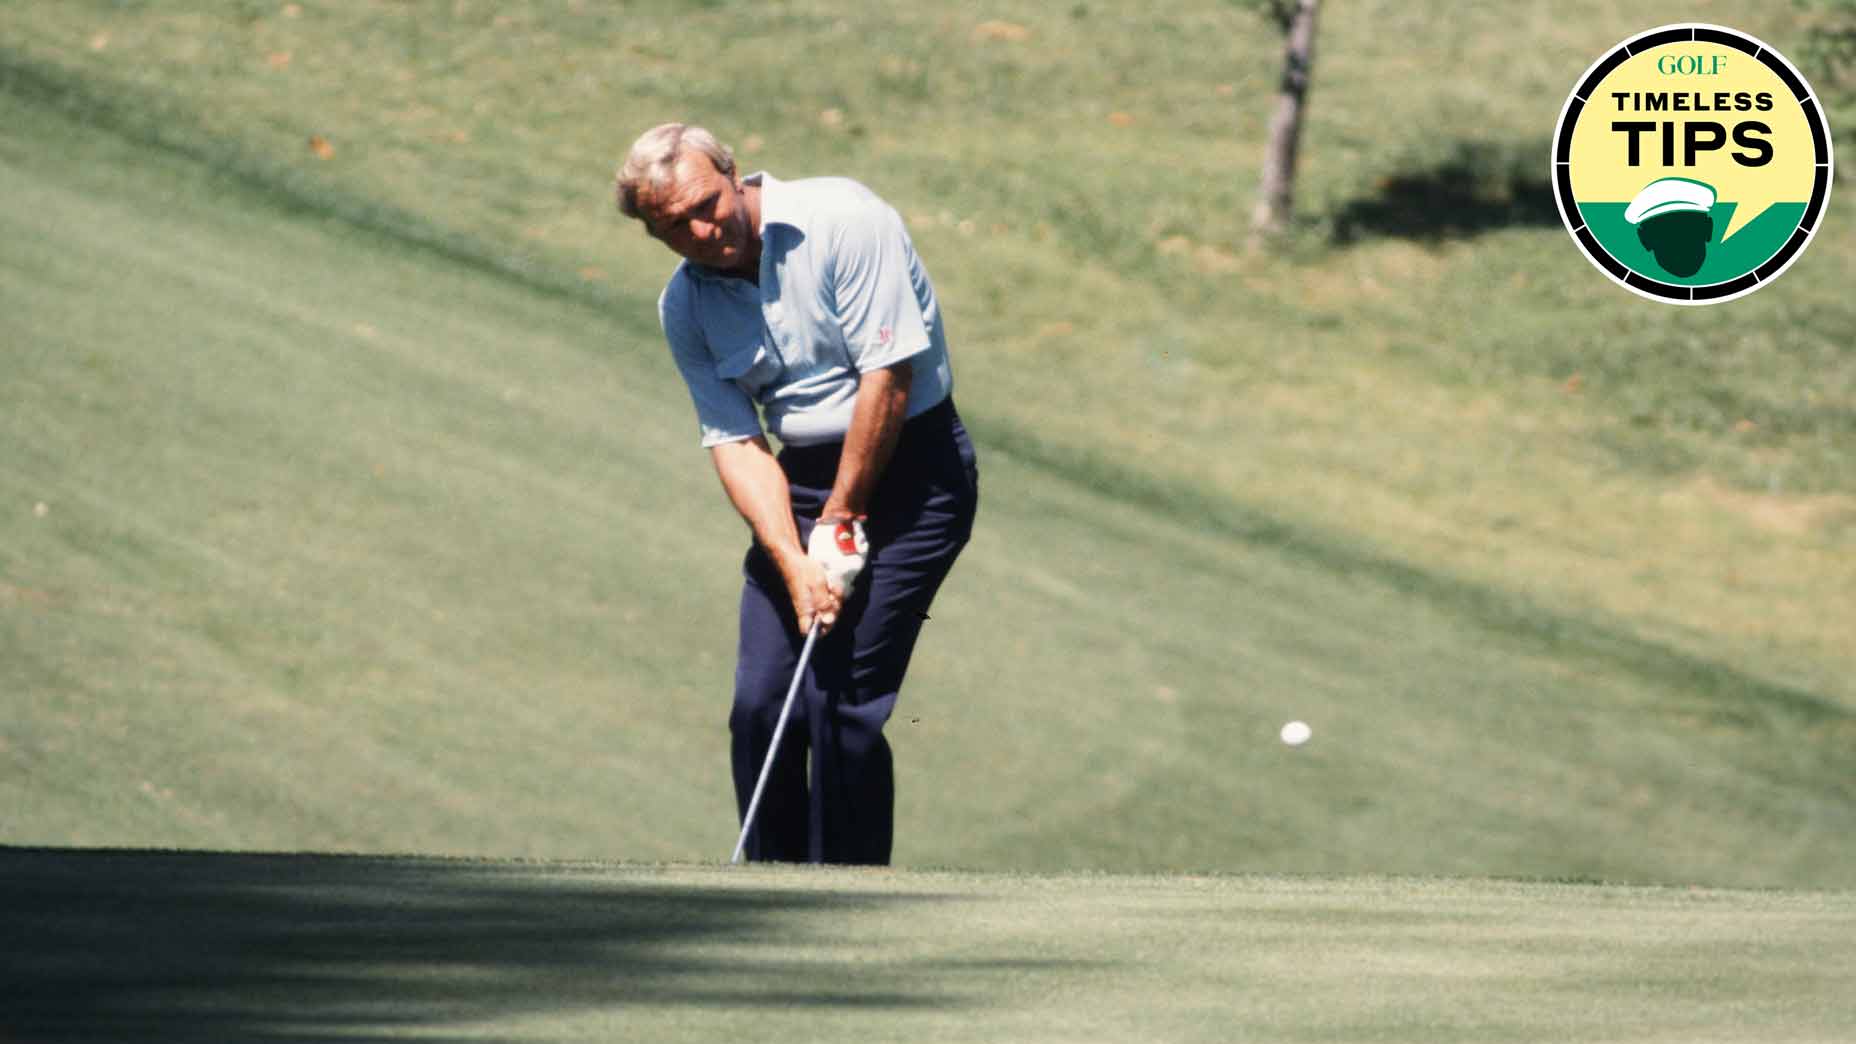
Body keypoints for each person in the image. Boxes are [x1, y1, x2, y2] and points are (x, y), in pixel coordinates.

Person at [614, 123, 979, 865]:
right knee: (760, 704)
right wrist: (791, 558)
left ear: (732, 172)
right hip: (803, 483)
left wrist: (842, 518)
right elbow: (736, 442)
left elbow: (888, 376)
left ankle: (845, 898)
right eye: (673, 227)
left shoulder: (845, 220)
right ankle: (769, 892)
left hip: (916, 475)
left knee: (842, 705)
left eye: (707, 205)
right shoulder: (684, 306)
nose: (701, 231)